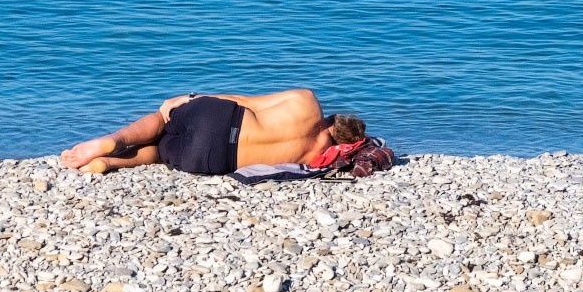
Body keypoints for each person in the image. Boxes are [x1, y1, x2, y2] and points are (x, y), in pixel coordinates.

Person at [59, 88, 365, 175]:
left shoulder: (307, 102)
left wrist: (189, 98)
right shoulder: (314, 159)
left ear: (333, 119)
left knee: (163, 121)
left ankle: (116, 140)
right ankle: (110, 163)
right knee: (160, 155)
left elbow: (245, 101)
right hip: (214, 157)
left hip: (221, 119)